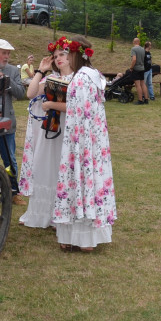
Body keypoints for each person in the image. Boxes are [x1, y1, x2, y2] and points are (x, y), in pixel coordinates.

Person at [52, 35, 116, 251]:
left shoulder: (81, 79)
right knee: (92, 179)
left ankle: (79, 238)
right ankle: (85, 237)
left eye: (67, 52)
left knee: (78, 179)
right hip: (94, 140)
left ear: (75, 54)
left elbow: (78, 113)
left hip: (80, 141)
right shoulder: (95, 75)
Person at [18, 40, 75, 229]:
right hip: (51, 129)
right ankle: (46, 212)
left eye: (62, 54)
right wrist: (42, 70)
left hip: (70, 129)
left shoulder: (78, 77)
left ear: (71, 56)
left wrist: (51, 105)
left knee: (64, 167)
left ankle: (64, 211)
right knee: (48, 166)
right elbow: (31, 93)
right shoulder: (51, 79)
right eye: (56, 56)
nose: (59, 59)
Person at [0, 38, 27, 205]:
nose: (7, 57)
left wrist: (7, 80)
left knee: (9, 157)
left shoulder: (12, 70)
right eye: (4, 53)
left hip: (6, 120)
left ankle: (13, 190)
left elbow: (21, 94)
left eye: (8, 53)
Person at [129, 37, 149, 104]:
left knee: (138, 85)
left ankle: (140, 100)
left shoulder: (133, 49)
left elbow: (134, 59)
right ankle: (146, 99)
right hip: (142, 68)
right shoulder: (143, 49)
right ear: (139, 42)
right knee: (143, 84)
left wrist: (131, 67)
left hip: (136, 69)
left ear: (134, 42)